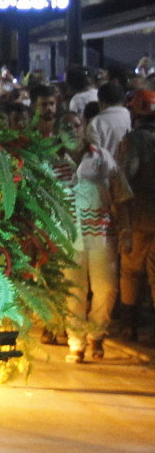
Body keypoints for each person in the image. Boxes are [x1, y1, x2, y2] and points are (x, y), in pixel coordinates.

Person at [67, 83, 133, 360]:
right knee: (72, 291)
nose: (73, 131)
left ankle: (96, 334)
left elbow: (121, 195)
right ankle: (77, 342)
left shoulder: (102, 158)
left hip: (102, 232)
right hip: (67, 236)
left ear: (84, 127)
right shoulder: (53, 161)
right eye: (67, 127)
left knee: (106, 289)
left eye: (76, 126)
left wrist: (126, 229)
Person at [117, 89, 155, 342]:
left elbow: (123, 180)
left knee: (131, 272)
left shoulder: (134, 141)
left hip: (139, 218)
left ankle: (128, 327)